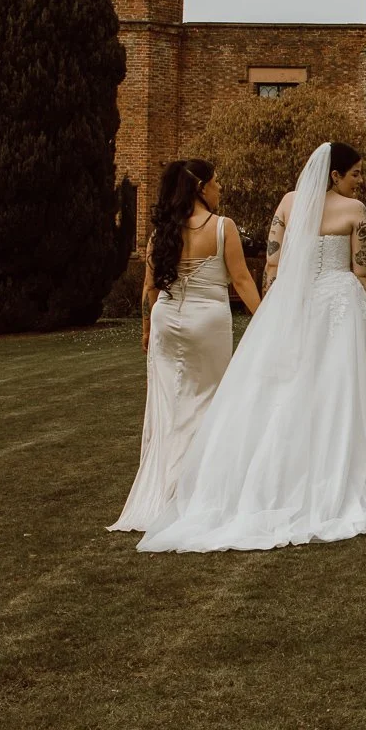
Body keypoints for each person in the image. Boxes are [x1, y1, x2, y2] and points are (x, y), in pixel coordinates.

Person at [137, 142, 366, 552]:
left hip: (292, 304)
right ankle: (335, 478)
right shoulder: (355, 211)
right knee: (338, 392)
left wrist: (273, 316)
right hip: (338, 304)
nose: (359, 181)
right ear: (335, 175)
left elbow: (273, 266)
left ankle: (280, 477)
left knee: (290, 390)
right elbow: (364, 271)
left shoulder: (288, 203)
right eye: (355, 174)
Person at [109, 159, 261, 532]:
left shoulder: (161, 232)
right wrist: (266, 320)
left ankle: (166, 488)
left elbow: (150, 289)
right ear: (200, 188)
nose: (220, 187)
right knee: (207, 401)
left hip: (166, 322)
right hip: (206, 321)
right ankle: (195, 490)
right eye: (216, 181)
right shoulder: (222, 227)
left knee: (169, 406)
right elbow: (241, 281)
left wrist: (147, 330)